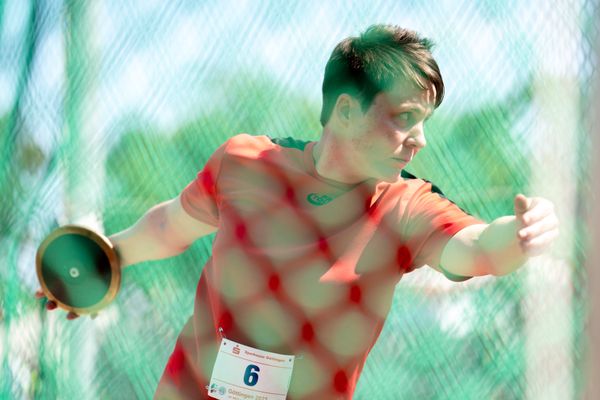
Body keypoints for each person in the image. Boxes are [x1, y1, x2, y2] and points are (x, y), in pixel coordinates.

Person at [37, 24, 560, 399]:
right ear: (347, 111)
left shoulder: (405, 205)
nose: (420, 140)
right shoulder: (247, 163)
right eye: (405, 118)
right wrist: (106, 257)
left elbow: (477, 249)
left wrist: (520, 234)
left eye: (426, 121)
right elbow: (171, 224)